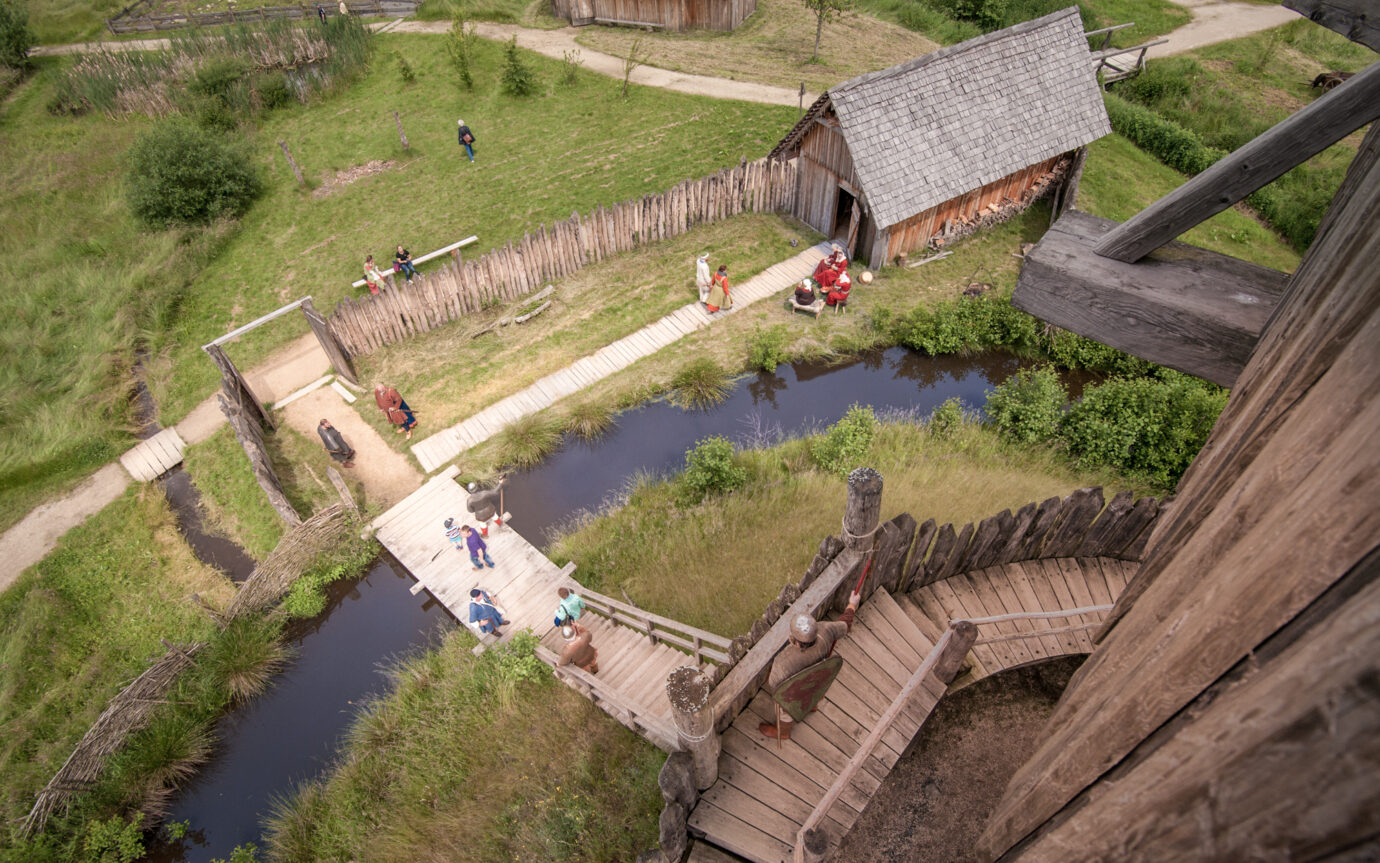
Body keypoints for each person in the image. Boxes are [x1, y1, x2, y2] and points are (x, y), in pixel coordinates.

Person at [759, 590, 861, 741]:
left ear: (795, 640)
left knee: (784, 708)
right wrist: (852, 604)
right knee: (813, 692)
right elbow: (845, 624)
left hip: (798, 690)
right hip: (817, 683)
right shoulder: (825, 631)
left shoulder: (783, 661)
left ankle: (783, 733)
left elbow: (776, 687)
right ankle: (810, 704)